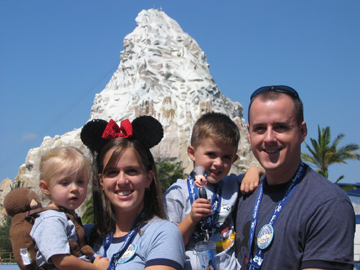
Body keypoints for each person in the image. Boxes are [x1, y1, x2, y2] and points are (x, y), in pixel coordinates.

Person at [235, 85, 355, 270]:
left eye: (280, 127)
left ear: (302, 132)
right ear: (249, 134)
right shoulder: (242, 193)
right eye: (260, 128)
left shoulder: (328, 204)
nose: (269, 138)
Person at [80, 116, 185, 270]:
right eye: (112, 172)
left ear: (148, 178)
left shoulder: (163, 234)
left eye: (131, 171)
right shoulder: (88, 237)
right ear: (101, 181)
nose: (122, 180)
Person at [163, 112, 263, 270]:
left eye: (226, 158)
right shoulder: (177, 193)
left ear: (234, 160)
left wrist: (254, 170)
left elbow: (267, 176)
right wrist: (191, 219)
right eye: (211, 154)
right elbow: (168, 246)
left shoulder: (232, 184)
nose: (218, 163)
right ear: (192, 153)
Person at [30, 146, 110, 270]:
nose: (74, 188)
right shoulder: (51, 220)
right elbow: (62, 261)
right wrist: (95, 268)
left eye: (80, 181)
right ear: (45, 188)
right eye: (64, 183)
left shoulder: (65, 215)